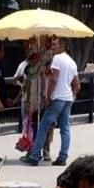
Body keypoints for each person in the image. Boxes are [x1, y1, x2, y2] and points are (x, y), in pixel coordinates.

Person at [21, 37, 79, 166]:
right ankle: (63, 157)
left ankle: (35, 155)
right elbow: (77, 84)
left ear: (62, 46)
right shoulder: (72, 62)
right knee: (65, 128)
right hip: (67, 98)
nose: (53, 47)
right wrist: (72, 95)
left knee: (43, 126)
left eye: (55, 45)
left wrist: (48, 96)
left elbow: (54, 79)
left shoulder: (57, 59)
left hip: (57, 97)